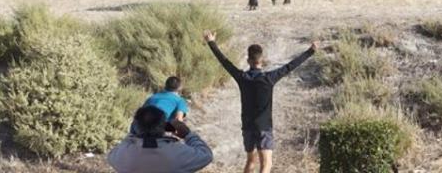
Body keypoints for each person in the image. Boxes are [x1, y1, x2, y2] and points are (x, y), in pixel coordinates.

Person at [205, 31, 317, 173]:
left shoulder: (242, 77)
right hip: (264, 126)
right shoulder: (269, 78)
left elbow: (225, 62)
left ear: (248, 61)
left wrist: (211, 42)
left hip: (247, 126)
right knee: (266, 164)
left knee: (250, 161)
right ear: (262, 60)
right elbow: (290, 66)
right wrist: (310, 51)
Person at [108, 105, 213, 173]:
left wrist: (132, 133)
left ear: (136, 125)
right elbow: (206, 155)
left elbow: (112, 154)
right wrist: (188, 134)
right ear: (163, 126)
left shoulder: (123, 154)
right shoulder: (177, 153)